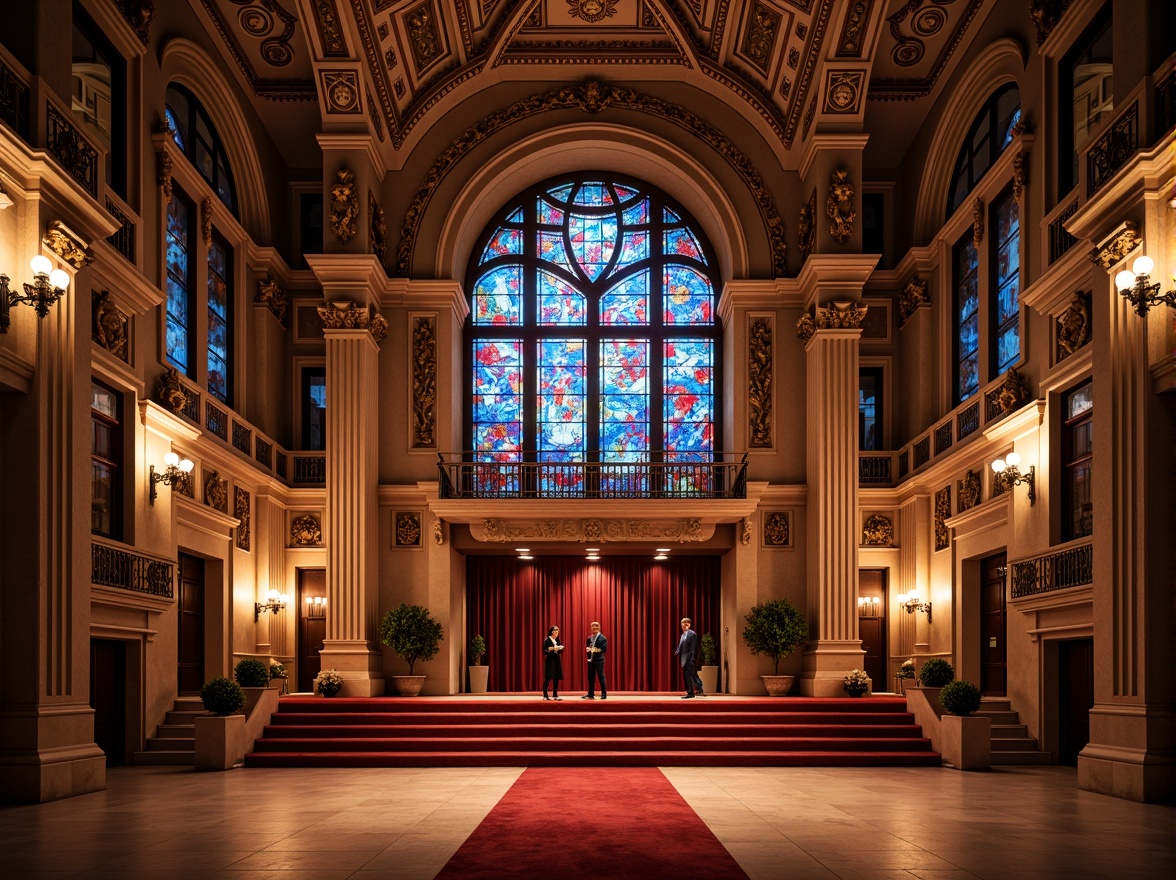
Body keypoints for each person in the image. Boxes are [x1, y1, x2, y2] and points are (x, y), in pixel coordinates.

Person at [675, 617, 705, 699]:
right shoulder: (683, 635)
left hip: (690, 658)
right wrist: (678, 651)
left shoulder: (692, 634)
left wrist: (692, 658)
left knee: (693, 675)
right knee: (687, 676)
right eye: (683, 623)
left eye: (686, 623)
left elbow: (693, 648)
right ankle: (690, 692)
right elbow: (681, 646)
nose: (684, 625)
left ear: (689, 624)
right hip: (683, 659)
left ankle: (699, 686)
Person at [582, 621, 607, 699]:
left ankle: (604, 694)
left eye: (596, 626)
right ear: (591, 628)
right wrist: (588, 651)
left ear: (599, 627)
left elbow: (603, 649)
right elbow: (588, 648)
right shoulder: (589, 638)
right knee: (590, 677)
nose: (594, 627)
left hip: (599, 660)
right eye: (593, 626)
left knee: (600, 676)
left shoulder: (603, 638)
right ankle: (590, 693)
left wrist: (594, 649)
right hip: (591, 660)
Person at [542, 625, 564, 700]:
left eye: (557, 632)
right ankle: (545, 695)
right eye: (555, 632)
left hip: (556, 659)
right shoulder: (547, 640)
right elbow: (544, 650)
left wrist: (559, 649)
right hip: (550, 660)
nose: (557, 633)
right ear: (552, 632)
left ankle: (555, 694)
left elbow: (560, 651)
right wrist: (552, 648)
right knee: (548, 677)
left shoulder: (557, 640)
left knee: (556, 677)